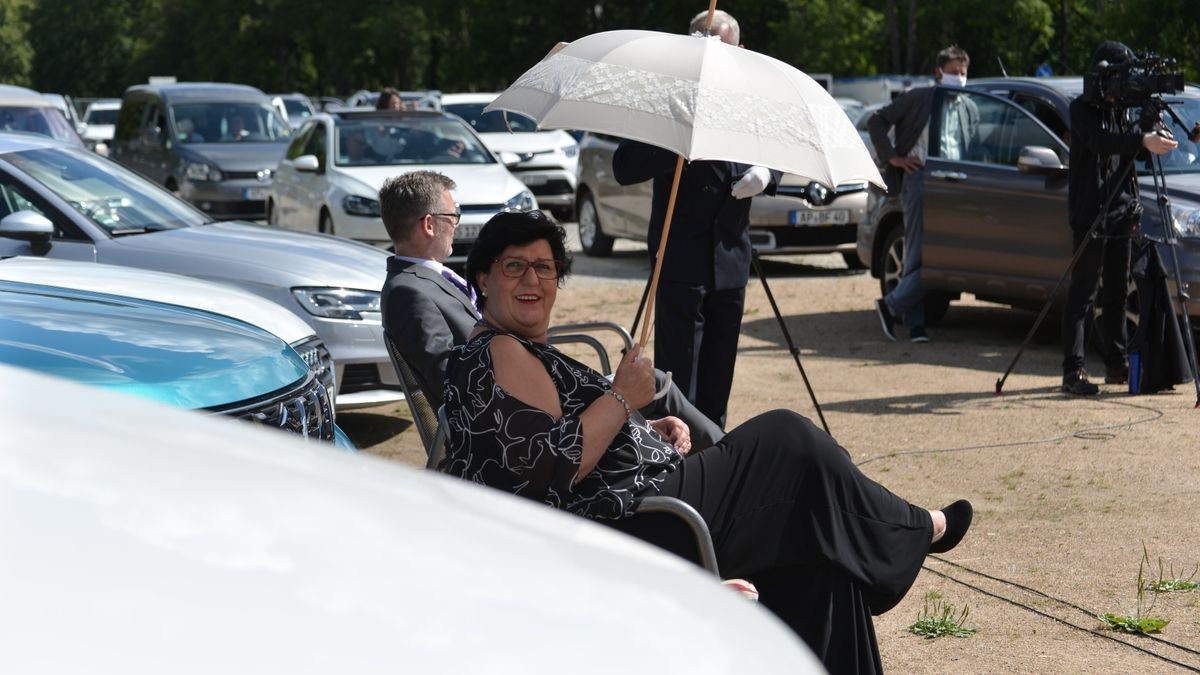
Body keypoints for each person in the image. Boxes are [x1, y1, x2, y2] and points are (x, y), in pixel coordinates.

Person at [442, 210, 973, 673]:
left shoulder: (508, 351)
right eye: (514, 266)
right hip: (631, 529)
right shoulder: (502, 352)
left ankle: (897, 533)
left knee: (821, 567)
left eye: (545, 266)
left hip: (637, 508)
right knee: (786, 440)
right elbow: (552, 466)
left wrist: (642, 429)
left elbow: (547, 443)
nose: (531, 278)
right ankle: (915, 528)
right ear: (484, 278)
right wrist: (622, 400)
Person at [379, 172, 724, 449]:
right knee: (659, 383)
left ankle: (719, 453)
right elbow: (456, 382)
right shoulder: (408, 291)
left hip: (536, 394)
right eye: (452, 216)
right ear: (429, 224)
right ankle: (723, 453)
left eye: (545, 268)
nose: (456, 223)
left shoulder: (424, 281)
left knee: (656, 384)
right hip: (521, 413)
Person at [611, 9, 780, 430]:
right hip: (681, 255)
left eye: (720, 49)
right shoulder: (669, 100)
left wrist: (765, 174)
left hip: (731, 256)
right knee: (678, 375)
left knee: (719, 373)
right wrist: (675, 147)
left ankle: (715, 450)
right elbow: (624, 165)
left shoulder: (752, 102)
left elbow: (776, 150)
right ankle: (676, 457)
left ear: (740, 51)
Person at [1060, 41, 1178, 395]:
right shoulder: (1081, 109)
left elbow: (1131, 155)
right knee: (1083, 293)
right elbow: (1100, 142)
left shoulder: (1123, 110)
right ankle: (1073, 371)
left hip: (1122, 208)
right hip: (1089, 212)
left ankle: (1116, 362)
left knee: (1115, 292)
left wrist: (1150, 134)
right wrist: (1141, 139)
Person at [870, 45, 971, 344]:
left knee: (945, 255)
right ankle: (914, 325)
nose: (960, 78)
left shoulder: (967, 105)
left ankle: (892, 308)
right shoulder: (919, 98)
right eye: (954, 73)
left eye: (963, 73)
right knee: (916, 254)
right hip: (920, 180)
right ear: (939, 72)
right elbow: (877, 121)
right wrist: (893, 158)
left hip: (955, 186)